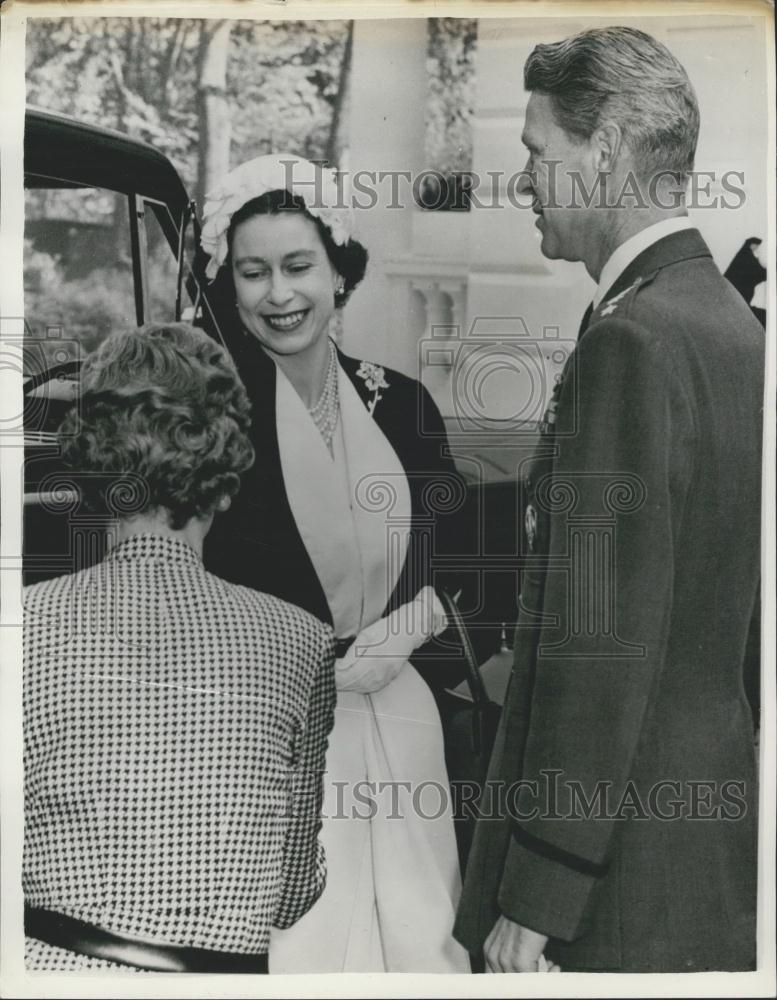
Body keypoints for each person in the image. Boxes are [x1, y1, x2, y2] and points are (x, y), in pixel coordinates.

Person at [454, 26, 762, 973]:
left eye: (537, 153)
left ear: (610, 148)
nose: (524, 183)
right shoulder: (723, 325)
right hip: (689, 848)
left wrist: (540, 892)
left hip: (611, 881)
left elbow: (602, 644)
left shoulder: (631, 344)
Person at [200, 155, 471, 972]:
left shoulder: (405, 405)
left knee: (418, 934)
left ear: (338, 273)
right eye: (254, 273)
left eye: (297, 267)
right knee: (301, 945)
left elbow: (468, 559)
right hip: (261, 731)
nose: (278, 295)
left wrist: (411, 628)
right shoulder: (210, 416)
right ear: (229, 283)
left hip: (398, 714)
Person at [23, 322, 336, 973]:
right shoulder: (302, 641)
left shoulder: (23, 626)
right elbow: (289, 893)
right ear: (224, 475)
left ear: (91, 467)